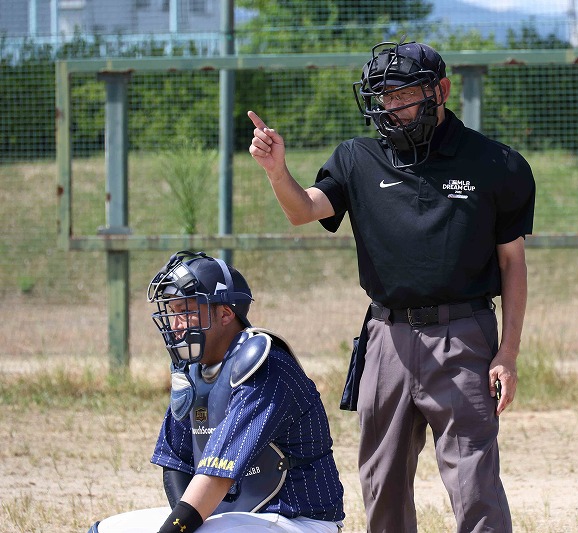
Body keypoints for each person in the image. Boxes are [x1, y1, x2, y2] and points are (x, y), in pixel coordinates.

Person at [248, 40, 535, 533]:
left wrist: (507, 353)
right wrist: (277, 173)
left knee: (474, 483)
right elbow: (304, 210)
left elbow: (513, 263)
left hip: (463, 335)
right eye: (384, 96)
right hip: (386, 339)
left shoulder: (496, 164)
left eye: (403, 95)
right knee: (381, 482)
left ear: (440, 91)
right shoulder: (357, 158)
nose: (391, 107)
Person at [144, 250, 345, 533]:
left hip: (296, 521)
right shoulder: (194, 370)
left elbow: (217, 476)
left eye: (184, 311)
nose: (175, 325)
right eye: (172, 312)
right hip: (240, 520)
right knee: (103, 529)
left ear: (225, 313)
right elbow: (177, 461)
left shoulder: (264, 364)